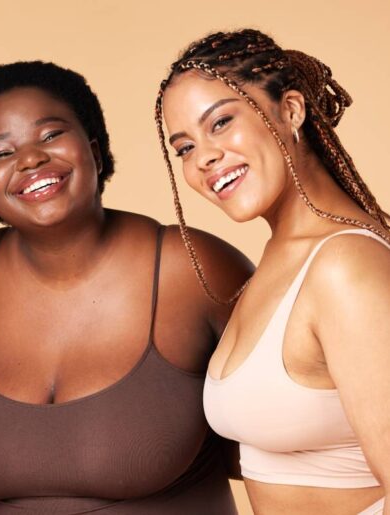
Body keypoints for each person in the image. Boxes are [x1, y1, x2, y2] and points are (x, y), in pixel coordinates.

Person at [0, 60, 254, 514]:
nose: (30, 159)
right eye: (1, 152)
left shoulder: (192, 267)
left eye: (50, 135)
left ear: (95, 149)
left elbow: (291, 424)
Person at [157, 29, 390, 515]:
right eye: (183, 147)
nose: (204, 157)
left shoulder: (346, 266)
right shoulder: (275, 264)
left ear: (290, 111)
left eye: (221, 122)